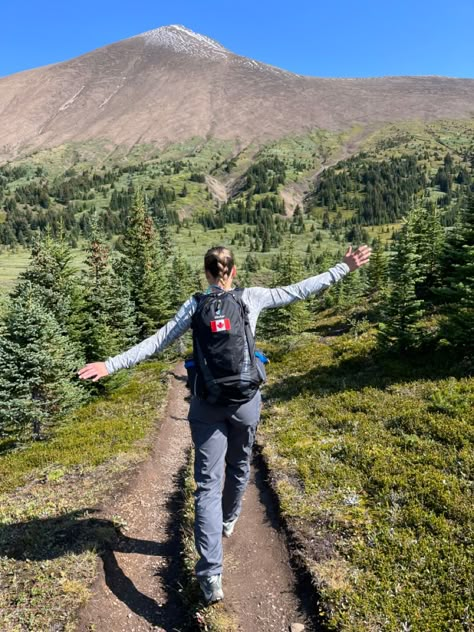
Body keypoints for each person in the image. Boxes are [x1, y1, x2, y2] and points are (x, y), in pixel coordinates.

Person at [78, 244, 371, 603]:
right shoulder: (252, 298)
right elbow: (300, 290)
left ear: (206, 274)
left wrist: (110, 364)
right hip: (246, 402)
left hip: (206, 405)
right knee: (240, 464)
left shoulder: (195, 305)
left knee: (205, 486)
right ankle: (230, 519)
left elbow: (156, 341)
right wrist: (343, 267)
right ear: (233, 272)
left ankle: (211, 575)